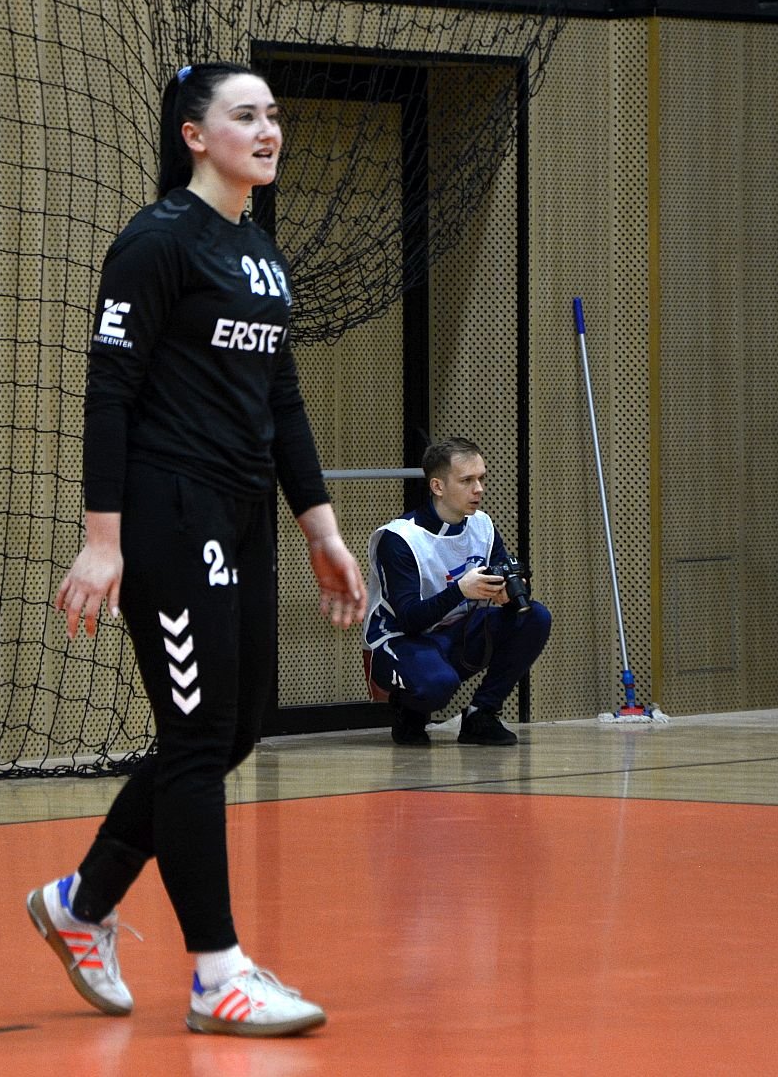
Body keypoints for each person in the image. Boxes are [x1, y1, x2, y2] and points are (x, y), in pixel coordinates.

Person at [27, 62, 366, 1038]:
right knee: (195, 738)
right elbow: (109, 392)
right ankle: (217, 973)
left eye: (273, 116)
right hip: (170, 511)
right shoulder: (156, 241)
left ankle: (81, 903)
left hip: (243, 512)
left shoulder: (261, 255)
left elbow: (282, 399)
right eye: (244, 115)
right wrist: (102, 541)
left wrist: (321, 528)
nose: (267, 130)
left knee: (235, 729)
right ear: (193, 134)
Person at [363, 437, 551, 747]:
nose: (479, 489)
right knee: (437, 684)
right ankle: (408, 709)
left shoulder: (482, 525)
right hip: (398, 641)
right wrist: (461, 590)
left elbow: (505, 574)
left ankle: (482, 714)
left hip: (453, 633)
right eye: (467, 481)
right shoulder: (399, 538)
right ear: (437, 486)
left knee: (535, 617)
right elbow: (409, 619)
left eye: (481, 478)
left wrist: (509, 592)